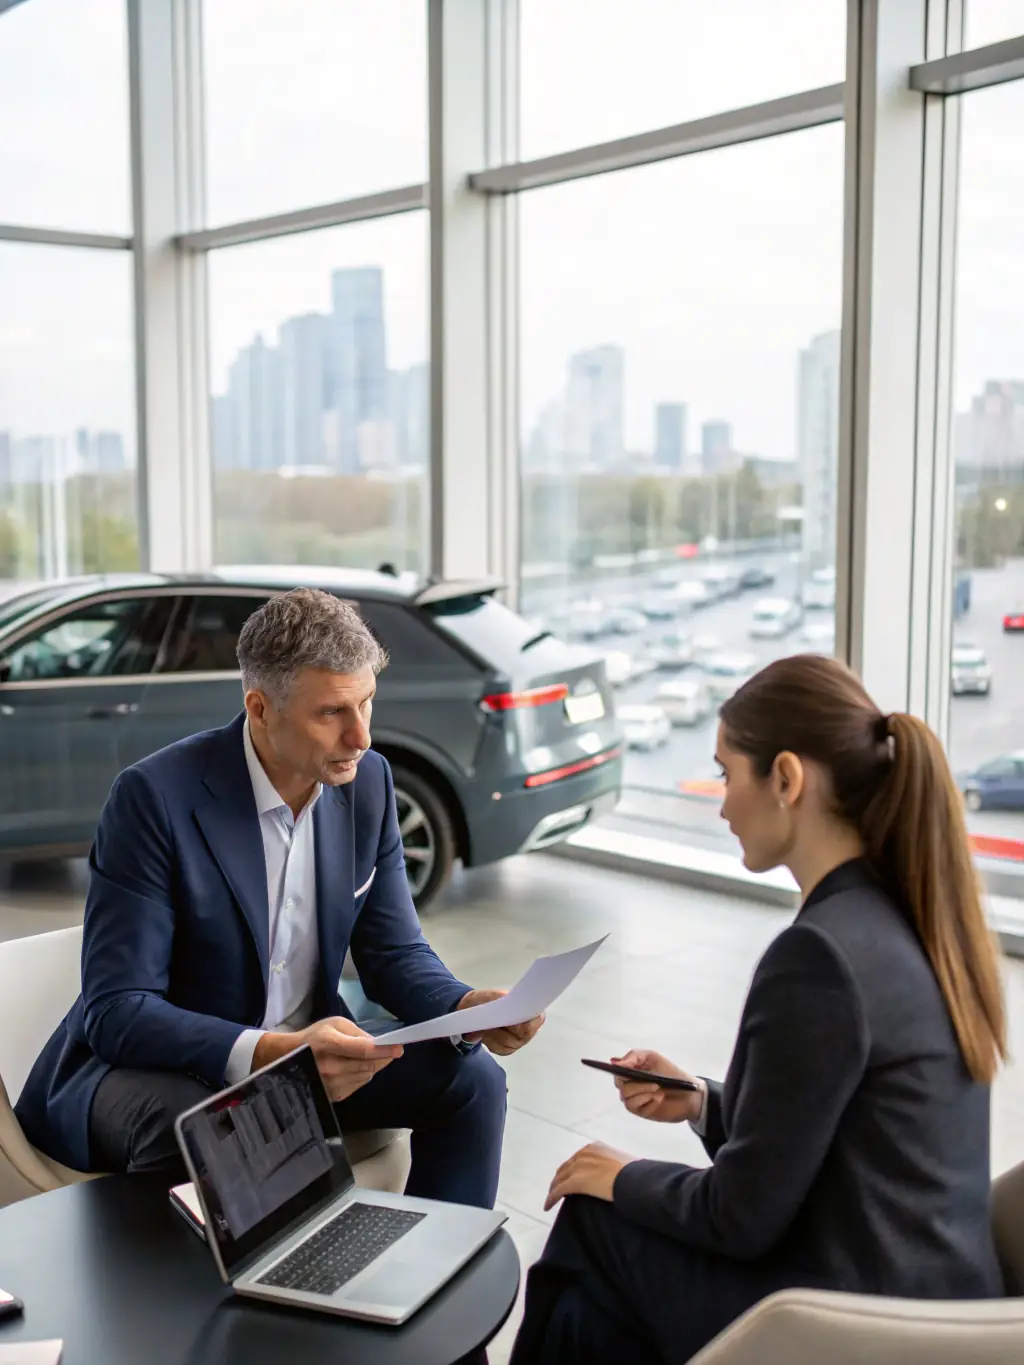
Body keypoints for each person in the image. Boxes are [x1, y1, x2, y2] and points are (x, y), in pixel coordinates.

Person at [510, 652, 1007, 1365]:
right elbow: (834, 1138)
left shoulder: (820, 957)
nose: (720, 803)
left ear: (786, 778)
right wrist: (700, 1103)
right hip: (933, 1295)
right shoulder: (913, 917)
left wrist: (617, 1173)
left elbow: (740, 1217)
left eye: (725, 773)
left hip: (854, 1318)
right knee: (592, 1308)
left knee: (592, 1221)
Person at [16, 588, 544, 1209]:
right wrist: (269, 1053)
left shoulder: (368, 784)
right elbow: (119, 1011)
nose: (361, 737)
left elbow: (394, 950)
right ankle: (262, 1298)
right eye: (332, 713)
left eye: (367, 703)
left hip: (303, 1059)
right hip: (159, 1072)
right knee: (220, 1122)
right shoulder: (154, 799)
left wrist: (464, 1005)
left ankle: (442, 1269)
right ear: (260, 708)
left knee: (473, 1078)